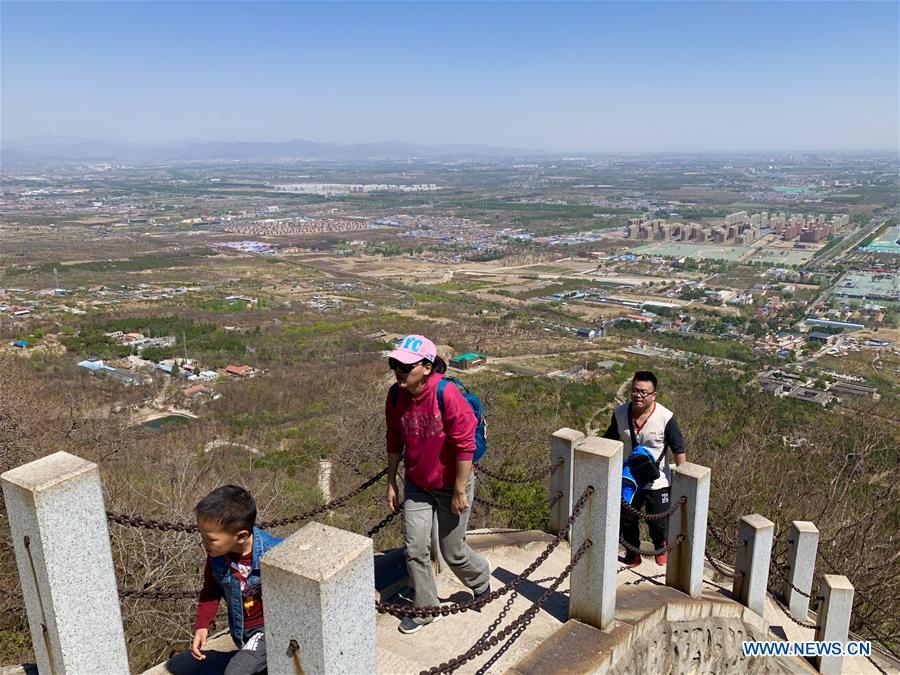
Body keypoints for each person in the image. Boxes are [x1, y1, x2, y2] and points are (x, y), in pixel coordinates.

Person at [385, 334, 492, 634]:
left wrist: (459, 489)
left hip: (451, 484)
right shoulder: (396, 396)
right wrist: (392, 481)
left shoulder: (446, 394)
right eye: (396, 364)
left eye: (406, 366)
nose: (399, 371)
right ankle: (425, 607)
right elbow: (394, 438)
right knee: (414, 548)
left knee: (452, 549)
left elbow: (464, 444)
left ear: (428, 367)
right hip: (418, 483)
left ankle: (480, 578)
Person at [191, 485, 283, 674]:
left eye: (210, 539)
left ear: (240, 536)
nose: (204, 543)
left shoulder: (273, 553)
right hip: (241, 631)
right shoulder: (217, 557)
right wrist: (202, 625)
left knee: (236, 671)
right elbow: (211, 590)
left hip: (268, 629)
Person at [603, 370, 686, 568]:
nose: (638, 395)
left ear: (653, 395)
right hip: (629, 479)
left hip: (657, 480)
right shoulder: (620, 413)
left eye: (643, 392)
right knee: (627, 520)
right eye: (635, 390)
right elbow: (608, 440)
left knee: (658, 521)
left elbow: (678, 448)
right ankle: (633, 554)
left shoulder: (666, 418)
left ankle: (660, 546)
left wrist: (684, 478)